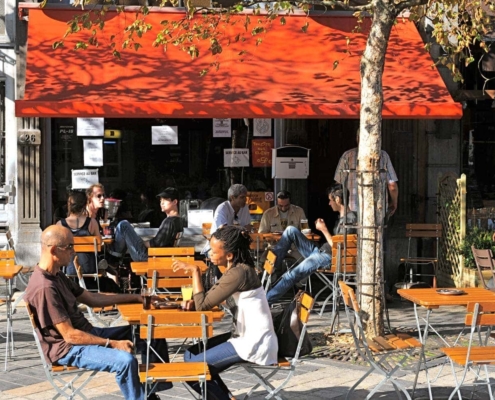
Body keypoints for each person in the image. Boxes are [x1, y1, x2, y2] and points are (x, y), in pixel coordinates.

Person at [24, 225, 171, 400]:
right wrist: (112, 343)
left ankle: (150, 391)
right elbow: (71, 336)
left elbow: (92, 299)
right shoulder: (44, 287)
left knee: (151, 333)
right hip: (69, 349)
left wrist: (135, 297)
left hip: (87, 335)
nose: (74, 251)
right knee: (125, 361)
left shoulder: (56, 275)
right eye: (70, 247)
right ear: (54, 250)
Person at [172, 226, 278, 400]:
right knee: (190, 354)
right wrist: (199, 300)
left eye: (214, 251)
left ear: (229, 255)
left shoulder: (238, 273)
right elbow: (209, 298)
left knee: (192, 370)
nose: (209, 255)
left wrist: (194, 271)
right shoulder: (238, 269)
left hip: (254, 342)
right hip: (244, 336)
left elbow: (202, 305)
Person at [266, 184, 357, 304]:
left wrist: (323, 229)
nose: (329, 203)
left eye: (330, 200)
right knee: (290, 230)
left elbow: (338, 248)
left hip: (327, 258)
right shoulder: (343, 217)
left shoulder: (349, 220)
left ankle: (265, 301)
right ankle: (272, 268)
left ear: (338, 200)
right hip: (320, 252)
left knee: (291, 275)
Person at [57, 191, 120, 292]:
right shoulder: (92, 223)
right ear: (85, 205)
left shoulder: (60, 224)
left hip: (69, 268)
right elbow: (99, 244)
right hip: (90, 268)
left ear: (69, 205)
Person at [334, 129, 398, 216]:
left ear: (357, 138)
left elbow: (338, 184)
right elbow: (392, 186)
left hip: (351, 209)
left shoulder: (347, 156)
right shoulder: (383, 156)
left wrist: (340, 206)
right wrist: (394, 202)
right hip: (377, 209)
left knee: (352, 229)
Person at [108, 187, 183, 262]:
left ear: (175, 202)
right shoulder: (178, 221)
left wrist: (136, 241)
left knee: (123, 225)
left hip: (147, 256)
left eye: (165, 200)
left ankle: (114, 259)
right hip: (155, 256)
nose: (162, 203)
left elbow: (155, 244)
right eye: (161, 200)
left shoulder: (169, 222)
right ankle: (116, 258)